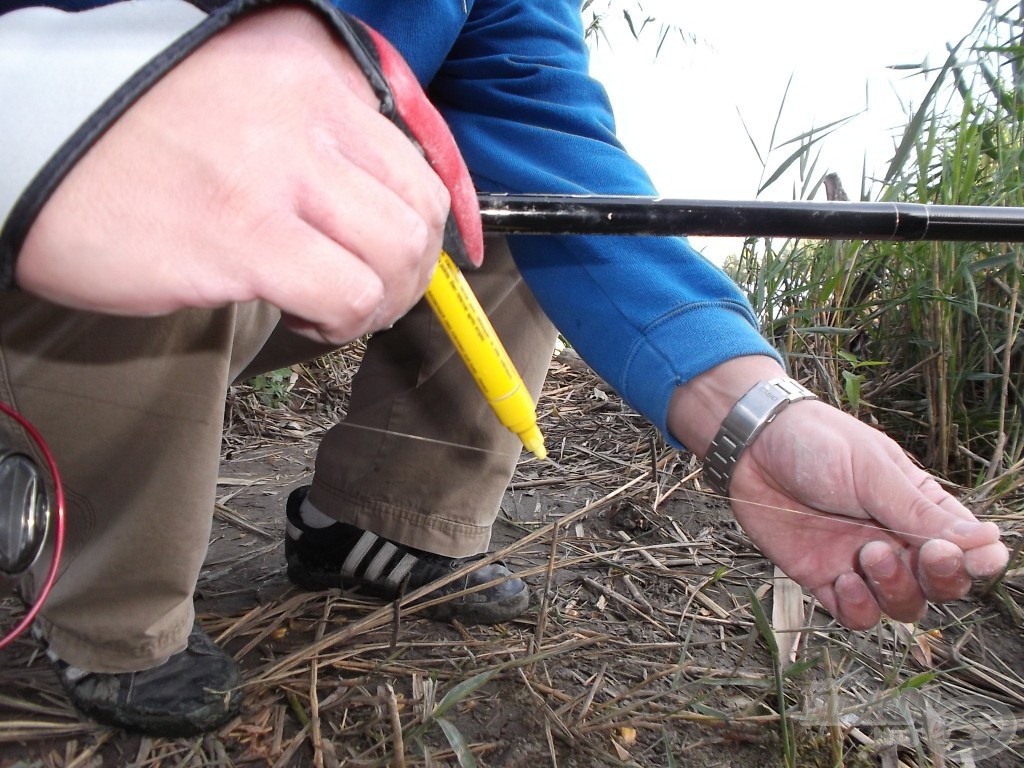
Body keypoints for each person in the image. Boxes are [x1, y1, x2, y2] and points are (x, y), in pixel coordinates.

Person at [0, 0, 1008, 738]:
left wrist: (758, 416)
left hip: (273, 281)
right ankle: (111, 624)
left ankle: (379, 529)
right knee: (199, 196)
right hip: (42, 250)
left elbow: (557, 161)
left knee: (505, 207)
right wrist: (70, 109)